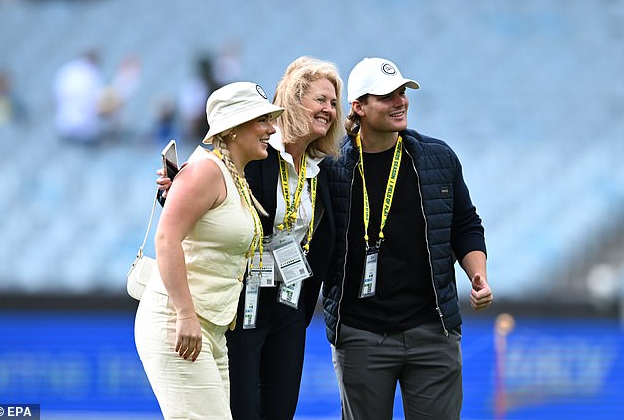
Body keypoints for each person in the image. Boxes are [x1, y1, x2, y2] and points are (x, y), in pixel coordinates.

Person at [157, 56, 344, 420]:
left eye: (334, 103)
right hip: (242, 300)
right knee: (240, 407)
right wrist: (170, 190)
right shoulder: (251, 151)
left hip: (290, 301)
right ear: (292, 101)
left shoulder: (323, 168)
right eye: (321, 100)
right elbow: (205, 190)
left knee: (280, 407)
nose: (330, 110)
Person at [322, 57, 494, 420]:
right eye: (387, 96)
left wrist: (477, 273)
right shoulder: (331, 167)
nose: (400, 101)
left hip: (433, 330)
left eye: (402, 92)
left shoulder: (438, 157)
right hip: (360, 334)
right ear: (359, 107)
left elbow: (465, 224)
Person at [135, 81, 284, 420]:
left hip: (210, 328)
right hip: (180, 323)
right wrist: (186, 315)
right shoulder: (206, 170)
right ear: (232, 129)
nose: (271, 129)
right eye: (261, 120)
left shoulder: (233, 175)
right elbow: (166, 240)